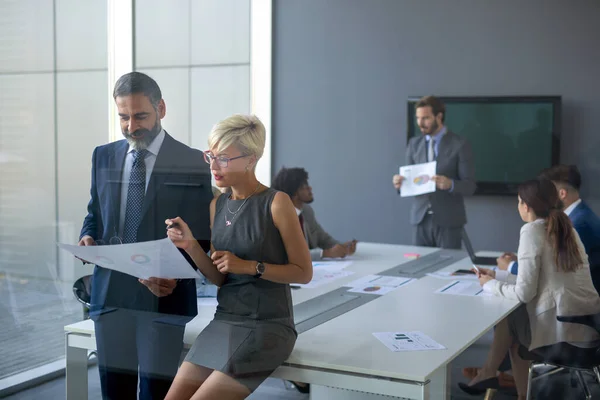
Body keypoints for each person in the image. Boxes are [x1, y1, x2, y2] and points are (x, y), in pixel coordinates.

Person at [78, 72, 213, 399]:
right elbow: (95, 212)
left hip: (163, 299)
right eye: (123, 117)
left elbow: (202, 237)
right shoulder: (103, 155)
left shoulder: (192, 161)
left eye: (140, 116)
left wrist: (176, 278)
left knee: (157, 393)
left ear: (161, 108)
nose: (131, 126)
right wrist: (87, 235)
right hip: (110, 297)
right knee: (114, 392)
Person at [163, 114, 312, 399]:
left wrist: (250, 266)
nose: (214, 167)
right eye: (211, 156)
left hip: (268, 326)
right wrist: (192, 245)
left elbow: (303, 272)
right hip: (225, 320)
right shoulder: (217, 205)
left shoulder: (276, 202)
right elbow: (221, 278)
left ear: (251, 159)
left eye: (223, 158)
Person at [458, 178, 600, 399]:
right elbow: (544, 277)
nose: (517, 207)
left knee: (511, 318)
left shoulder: (532, 230)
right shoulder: (566, 227)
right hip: (590, 328)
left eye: (518, 202)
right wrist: (499, 276)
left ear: (526, 205)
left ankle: (496, 377)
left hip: (565, 332)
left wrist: (490, 285)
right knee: (515, 326)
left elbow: (525, 293)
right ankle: (499, 380)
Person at [497, 165, 600, 292]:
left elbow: (554, 273)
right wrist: (522, 260)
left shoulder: (578, 224)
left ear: (561, 194)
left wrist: (511, 266)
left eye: (548, 191)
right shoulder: (577, 215)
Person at [392, 95, 475, 249]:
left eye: (426, 118)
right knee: (419, 268)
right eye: (418, 118)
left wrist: (450, 184)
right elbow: (409, 181)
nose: (420, 123)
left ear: (439, 117)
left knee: (448, 268)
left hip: (449, 220)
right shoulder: (414, 144)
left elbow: (470, 186)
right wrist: (399, 184)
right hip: (420, 219)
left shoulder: (459, 144)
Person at [271, 167, 357, 260]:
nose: (310, 188)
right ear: (294, 193)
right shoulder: (279, 218)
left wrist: (341, 247)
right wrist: (325, 253)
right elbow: (289, 255)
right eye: (304, 186)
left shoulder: (306, 211)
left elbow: (322, 237)